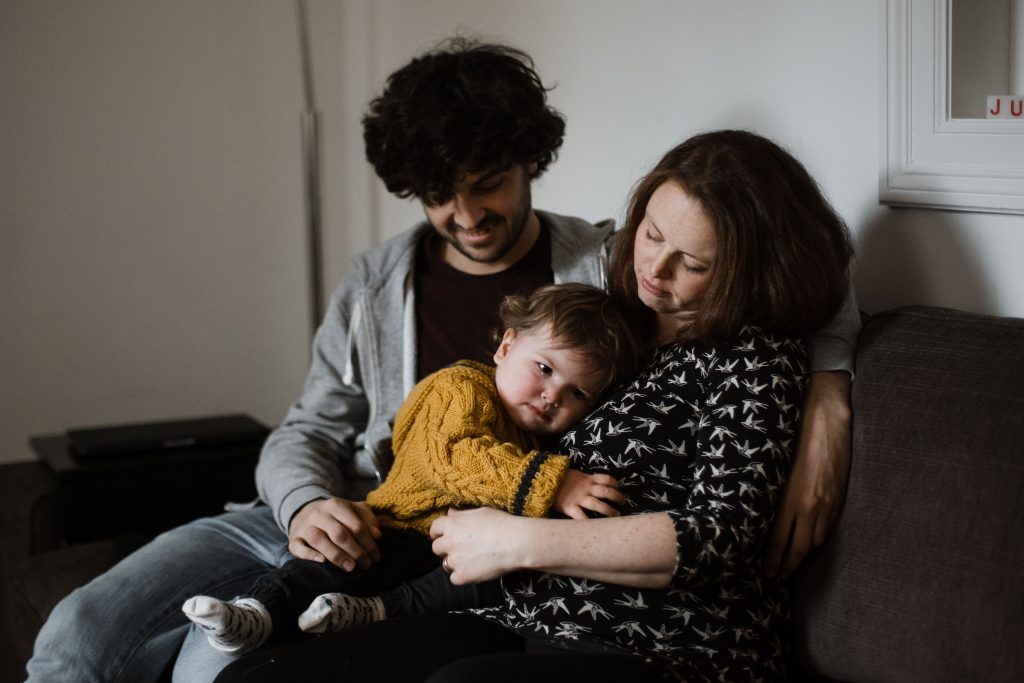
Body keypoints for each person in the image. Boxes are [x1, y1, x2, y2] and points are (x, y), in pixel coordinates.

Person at [26, 39, 857, 683]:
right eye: (438, 194)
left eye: (486, 182)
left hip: (447, 536)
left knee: (221, 663)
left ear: (529, 158)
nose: (465, 214)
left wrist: (829, 393)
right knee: (76, 631)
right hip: (341, 500)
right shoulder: (375, 282)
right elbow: (310, 424)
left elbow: (780, 271)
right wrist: (306, 502)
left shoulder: (607, 266)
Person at [215, 129, 856, 683]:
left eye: (691, 264)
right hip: (509, 607)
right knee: (256, 674)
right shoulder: (618, 319)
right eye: (651, 235)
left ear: (748, 270)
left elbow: (718, 540)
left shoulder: (753, 358)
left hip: (659, 643)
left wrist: (517, 540)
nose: (654, 271)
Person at [180, 283, 643, 655]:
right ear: (506, 346)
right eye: (543, 368)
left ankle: (369, 612)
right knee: (336, 564)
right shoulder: (459, 388)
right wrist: (555, 483)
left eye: (577, 393)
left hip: (462, 551)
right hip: (402, 523)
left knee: (481, 589)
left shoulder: (536, 432)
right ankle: (256, 612)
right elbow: (455, 457)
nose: (552, 395)